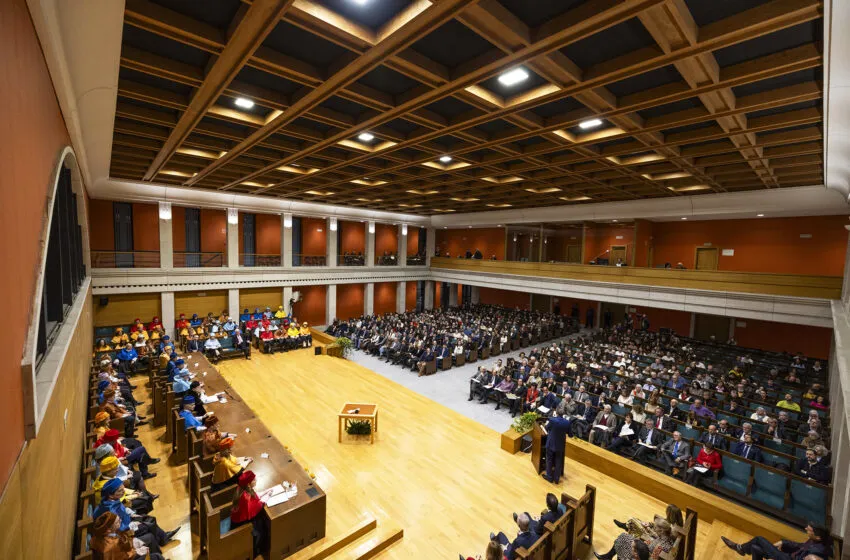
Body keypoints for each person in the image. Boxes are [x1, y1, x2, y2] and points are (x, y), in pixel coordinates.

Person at [721, 523, 829, 560]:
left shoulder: (819, 551)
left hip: (787, 559)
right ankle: (742, 549)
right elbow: (798, 546)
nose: (806, 529)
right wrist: (783, 542)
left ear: (818, 537)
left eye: (809, 530)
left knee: (759, 539)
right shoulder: (814, 540)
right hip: (787, 555)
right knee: (755, 548)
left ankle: (740, 548)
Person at [231, 470, 274, 558]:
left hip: (239, 517)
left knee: (263, 518)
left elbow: (254, 497)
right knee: (262, 527)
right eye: (254, 480)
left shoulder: (242, 488)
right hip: (241, 524)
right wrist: (267, 497)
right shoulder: (244, 497)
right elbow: (255, 507)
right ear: (248, 484)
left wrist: (265, 492)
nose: (256, 480)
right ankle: (256, 551)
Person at [90, 510, 166, 560]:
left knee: (150, 537)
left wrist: (133, 541)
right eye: (117, 522)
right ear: (108, 530)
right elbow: (124, 557)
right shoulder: (110, 547)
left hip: (127, 550)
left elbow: (121, 538)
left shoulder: (103, 532)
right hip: (129, 556)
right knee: (156, 557)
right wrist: (137, 551)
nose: (120, 520)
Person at [543, 414, 571, 483]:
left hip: (551, 443)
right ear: (563, 415)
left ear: (557, 413)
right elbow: (570, 435)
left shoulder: (552, 420)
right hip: (560, 445)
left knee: (549, 460)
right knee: (558, 461)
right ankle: (556, 479)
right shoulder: (567, 422)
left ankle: (549, 477)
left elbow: (546, 428)